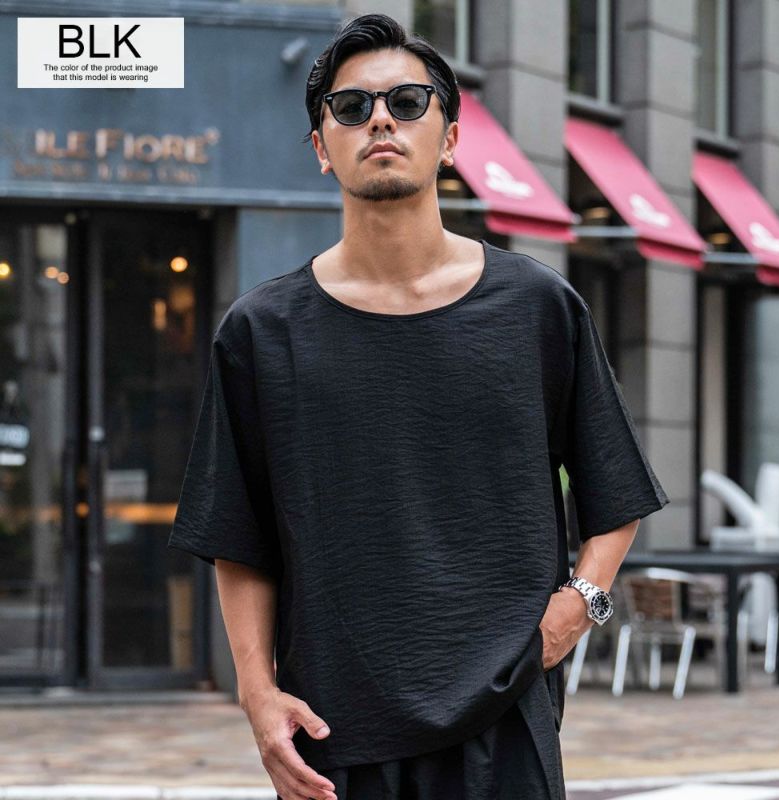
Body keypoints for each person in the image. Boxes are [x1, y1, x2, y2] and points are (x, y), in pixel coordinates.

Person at [167, 12, 670, 800]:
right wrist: (257, 695)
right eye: (350, 107)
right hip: (333, 734)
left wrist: (578, 607)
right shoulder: (261, 331)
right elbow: (238, 535)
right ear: (320, 147)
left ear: (450, 137)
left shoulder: (537, 308)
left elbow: (617, 492)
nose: (380, 120)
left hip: (505, 721)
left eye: (407, 102)